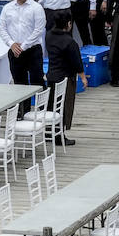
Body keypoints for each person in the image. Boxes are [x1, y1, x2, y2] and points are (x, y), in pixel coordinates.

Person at [0, 0, 46, 116]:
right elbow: (1, 28)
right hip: (14, 50)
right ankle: (22, 112)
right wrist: (12, 44)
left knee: (37, 80)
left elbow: (39, 29)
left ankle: (42, 111)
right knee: (19, 83)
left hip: (32, 49)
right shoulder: (7, 8)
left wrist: (23, 46)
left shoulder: (36, 7)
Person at [43, 9, 87, 146]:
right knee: (63, 106)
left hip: (51, 75)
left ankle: (49, 132)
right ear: (68, 23)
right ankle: (59, 135)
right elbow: (77, 62)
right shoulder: (69, 42)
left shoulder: (49, 36)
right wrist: (83, 77)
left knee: (51, 105)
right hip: (65, 77)